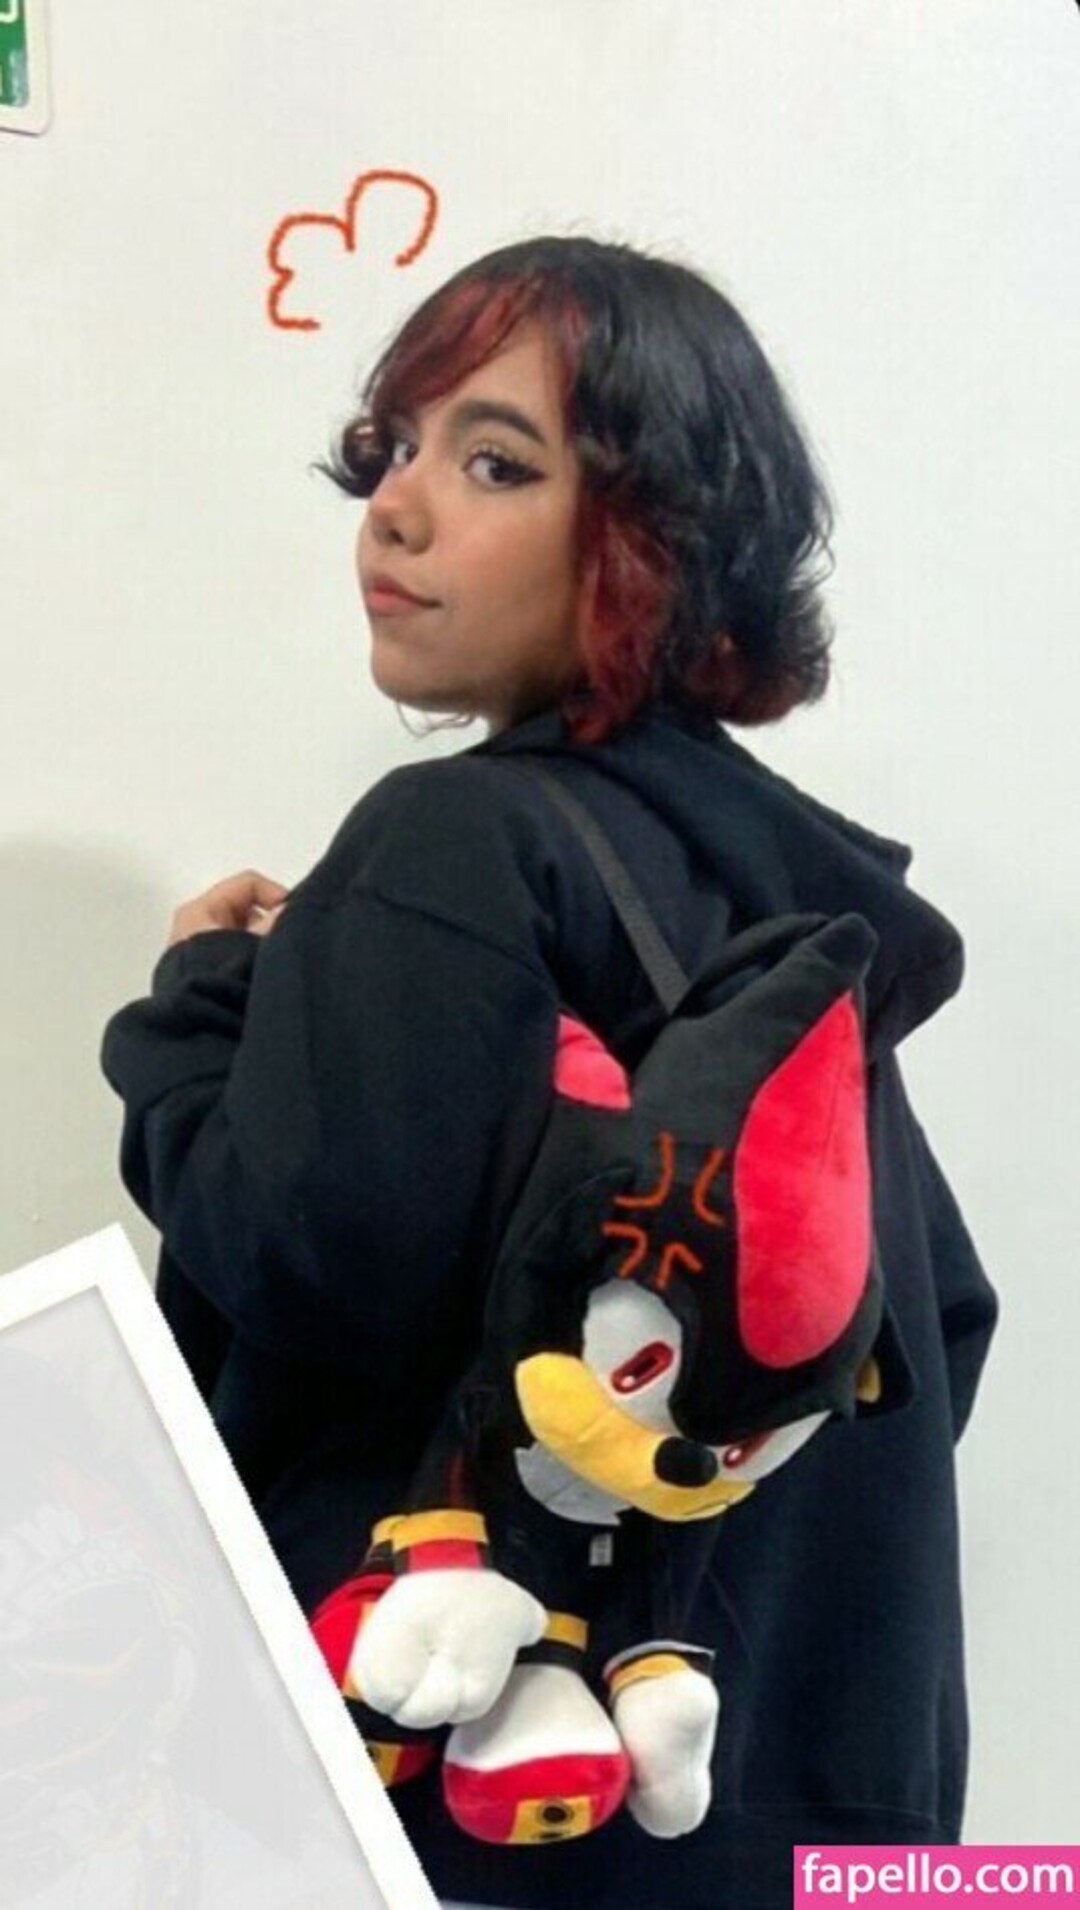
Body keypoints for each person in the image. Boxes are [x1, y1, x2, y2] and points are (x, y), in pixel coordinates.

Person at [101, 235, 997, 1910]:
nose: (396, 506)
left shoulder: (455, 843)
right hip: (820, 1827)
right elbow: (936, 1324)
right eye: (396, 447)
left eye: (495, 461)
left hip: (486, 1817)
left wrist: (196, 1017)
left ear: (650, 540)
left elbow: (314, 1255)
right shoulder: (804, 925)